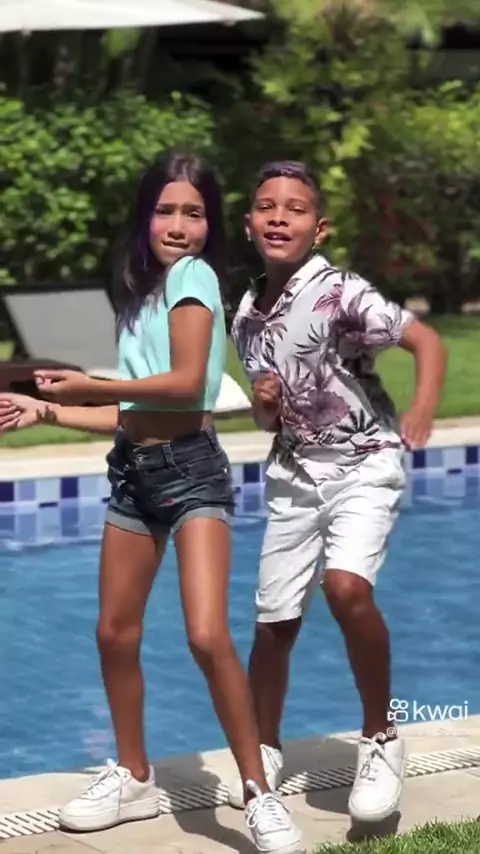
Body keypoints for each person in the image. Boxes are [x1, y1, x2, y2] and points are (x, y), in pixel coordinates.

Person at [0, 153, 304, 854]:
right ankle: (134, 776)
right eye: (165, 211)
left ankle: (257, 792)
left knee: (206, 635)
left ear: (210, 225)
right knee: (114, 633)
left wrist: (90, 383)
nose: (178, 226)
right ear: (144, 217)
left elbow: (189, 385)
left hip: (191, 472)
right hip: (135, 474)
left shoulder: (194, 278)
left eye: (194, 213)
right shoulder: (143, 294)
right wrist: (47, 411)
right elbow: (131, 413)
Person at [228, 160, 447, 823]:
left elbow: (426, 341)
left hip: (364, 464)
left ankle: (380, 738)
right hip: (294, 477)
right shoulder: (245, 317)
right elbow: (272, 418)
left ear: (318, 228)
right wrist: (265, 404)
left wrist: (422, 411)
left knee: (347, 589)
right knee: (275, 622)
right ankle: (263, 749)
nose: (278, 217)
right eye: (266, 206)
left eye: (295, 209)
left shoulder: (340, 291)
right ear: (248, 224)